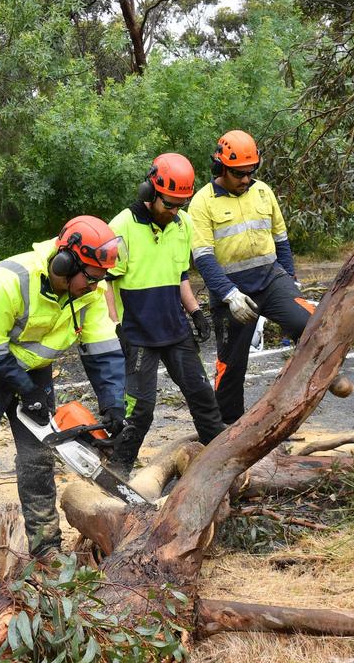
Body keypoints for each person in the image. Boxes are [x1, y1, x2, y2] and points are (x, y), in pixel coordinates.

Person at [0, 215, 128, 558]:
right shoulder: (8, 280)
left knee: (38, 459)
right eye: (90, 278)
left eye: (100, 279)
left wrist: (113, 404)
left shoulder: (91, 291)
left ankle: (46, 548)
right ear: (65, 264)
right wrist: (24, 389)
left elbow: (103, 350)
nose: (95, 286)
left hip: (34, 372)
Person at [189, 130, 347, 424]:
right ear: (220, 167)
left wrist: (291, 279)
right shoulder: (202, 202)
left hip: (271, 279)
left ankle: (326, 373)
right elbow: (204, 258)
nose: (246, 179)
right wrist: (229, 295)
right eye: (239, 174)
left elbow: (281, 240)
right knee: (231, 363)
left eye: (251, 172)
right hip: (231, 289)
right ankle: (227, 425)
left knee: (310, 321)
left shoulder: (263, 192)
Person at [103, 153, 224, 476]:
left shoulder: (181, 224)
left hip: (175, 328)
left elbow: (180, 276)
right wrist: (115, 327)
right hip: (138, 332)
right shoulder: (122, 226)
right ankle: (118, 469)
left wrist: (195, 312)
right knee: (140, 409)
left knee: (202, 396)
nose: (174, 211)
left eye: (179, 205)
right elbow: (107, 282)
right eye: (169, 204)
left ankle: (222, 464)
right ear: (150, 192)